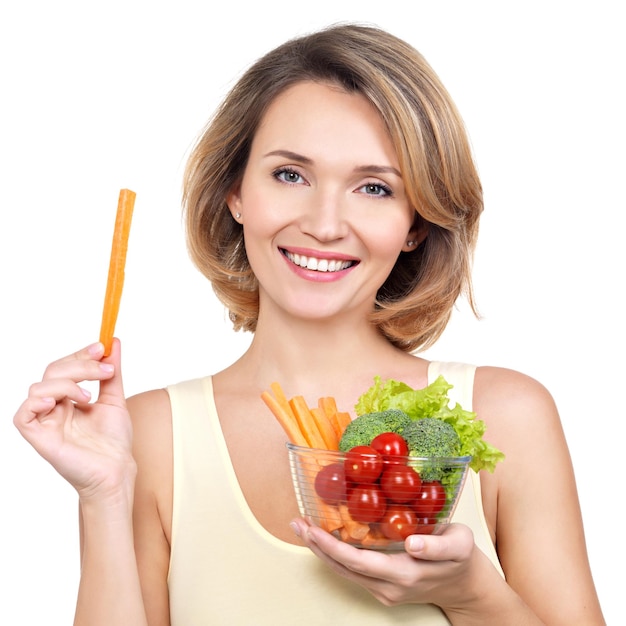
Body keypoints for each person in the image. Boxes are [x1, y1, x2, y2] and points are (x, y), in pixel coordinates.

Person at [13, 23, 605, 626]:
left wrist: (471, 593)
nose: (325, 224)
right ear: (235, 192)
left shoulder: (507, 416)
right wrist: (103, 496)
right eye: (290, 175)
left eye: (374, 188)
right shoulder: (149, 436)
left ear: (416, 224)